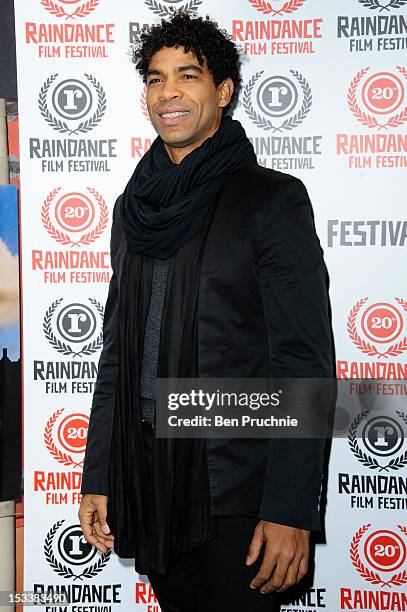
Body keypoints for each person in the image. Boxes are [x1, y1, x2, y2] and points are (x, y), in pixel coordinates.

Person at [78, 11, 335, 612]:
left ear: (223, 92)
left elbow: (303, 360)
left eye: (188, 75)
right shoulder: (133, 206)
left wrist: (290, 509)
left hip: (239, 486)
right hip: (150, 477)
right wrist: (99, 473)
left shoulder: (271, 200)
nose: (168, 92)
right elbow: (117, 351)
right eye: (155, 77)